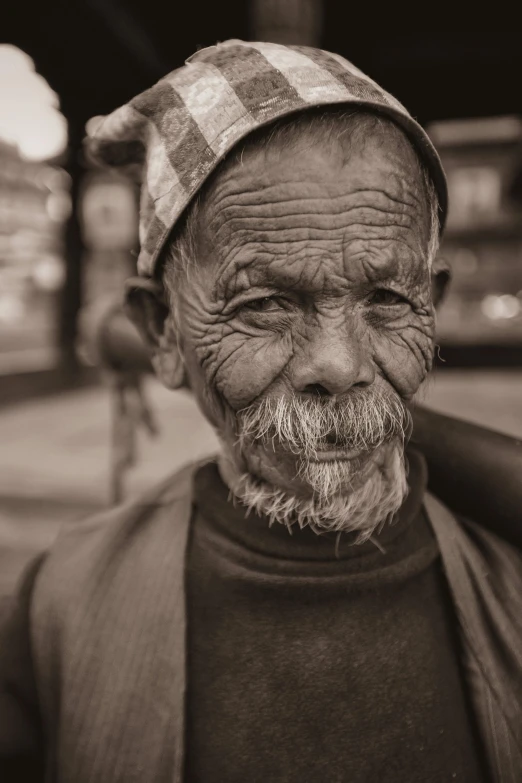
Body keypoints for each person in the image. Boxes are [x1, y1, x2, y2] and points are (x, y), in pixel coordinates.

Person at [1, 39, 521, 783]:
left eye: (386, 299)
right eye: (266, 303)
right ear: (162, 332)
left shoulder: (510, 584)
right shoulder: (61, 604)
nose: (341, 367)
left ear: (430, 306)